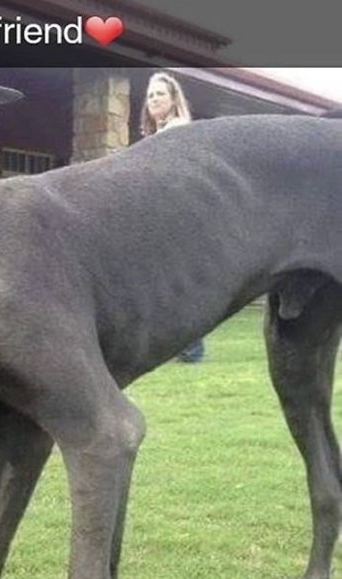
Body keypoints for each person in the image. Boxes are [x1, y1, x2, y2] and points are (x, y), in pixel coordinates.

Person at [140, 71, 205, 363]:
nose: (154, 99)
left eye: (160, 94)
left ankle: (191, 349)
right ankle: (179, 347)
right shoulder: (158, 134)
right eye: (150, 95)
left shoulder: (178, 129)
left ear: (173, 98)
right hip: (161, 219)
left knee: (179, 286)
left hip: (177, 219)